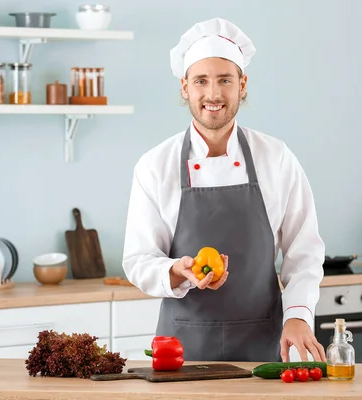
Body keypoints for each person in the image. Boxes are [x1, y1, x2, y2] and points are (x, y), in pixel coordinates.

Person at [122, 17, 326, 363]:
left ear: (242, 85)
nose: (213, 94)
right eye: (201, 81)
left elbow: (304, 251)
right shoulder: (155, 165)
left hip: (264, 344)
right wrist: (177, 271)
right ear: (185, 87)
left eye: (224, 80)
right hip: (180, 350)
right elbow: (138, 260)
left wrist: (298, 316)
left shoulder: (275, 158)